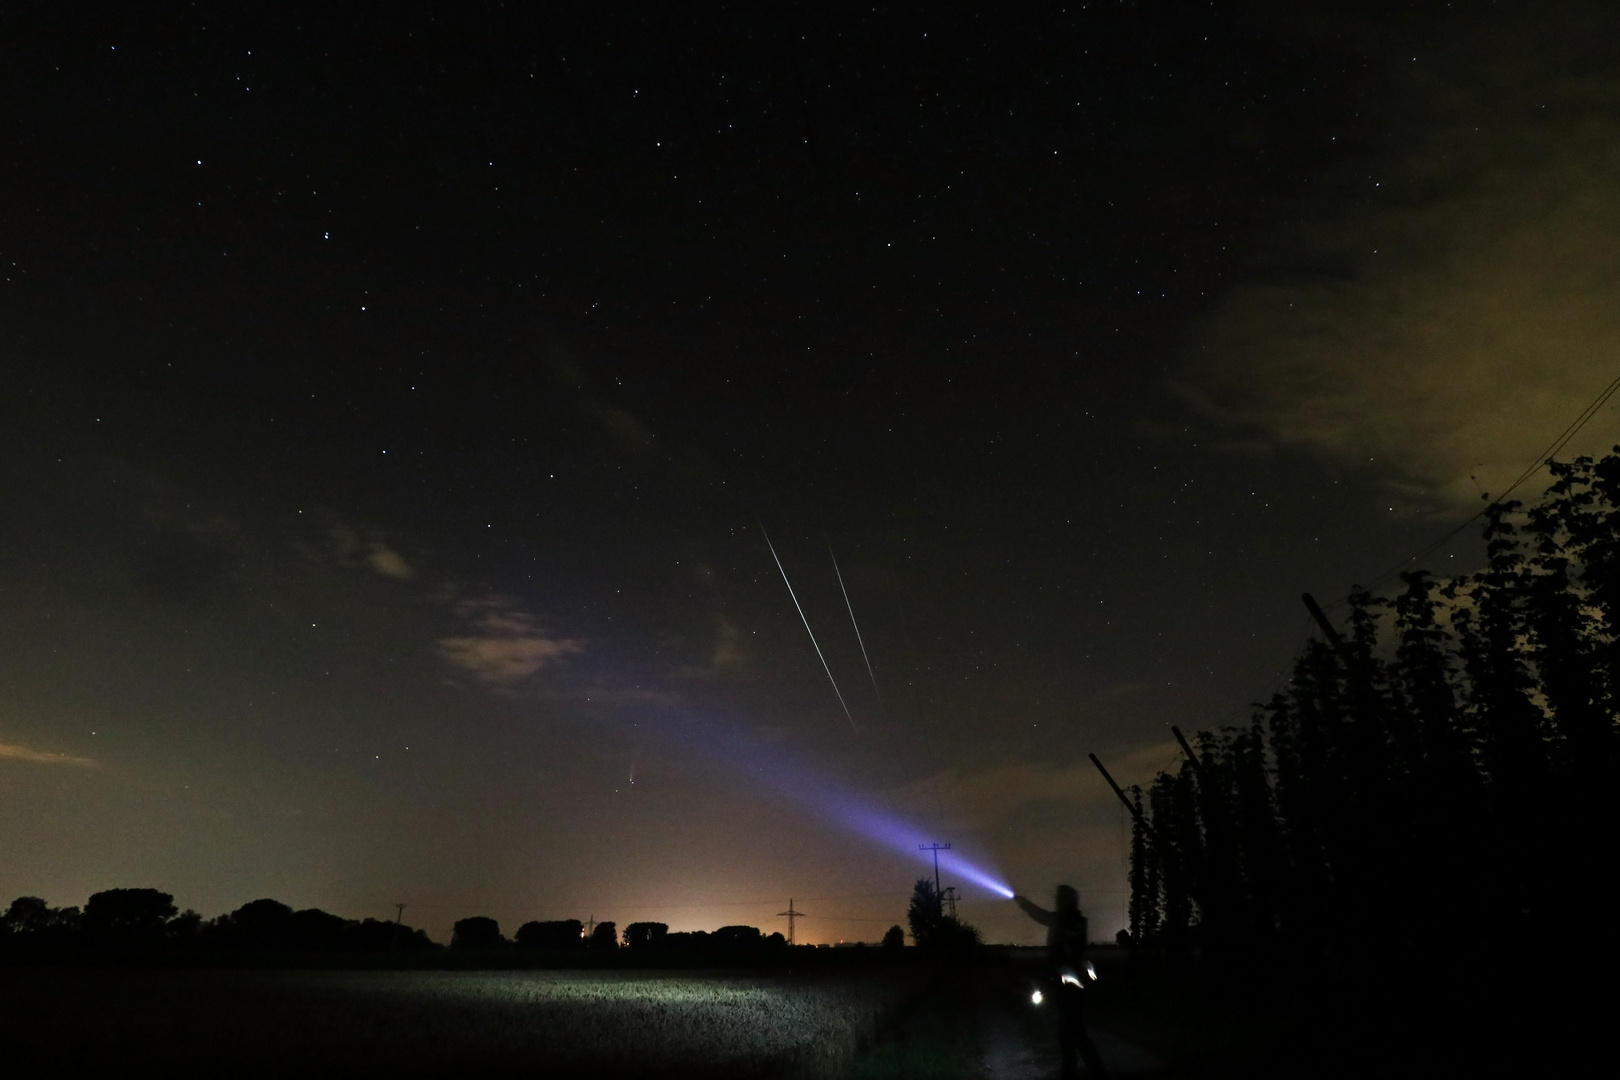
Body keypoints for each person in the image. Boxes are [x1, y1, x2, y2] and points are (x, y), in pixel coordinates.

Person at [1015, 885, 1109, 1079]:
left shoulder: (1071, 921)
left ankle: (1093, 1072)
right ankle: (1073, 1072)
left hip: (1071, 984)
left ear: (1066, 900)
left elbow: (1047, 921)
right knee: (1068, 1032)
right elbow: (1044, 917)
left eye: (1059, 897)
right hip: (1067, 983)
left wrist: (1024, 904)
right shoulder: (1070, 919)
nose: (1056, 900)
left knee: (1074, 1032)